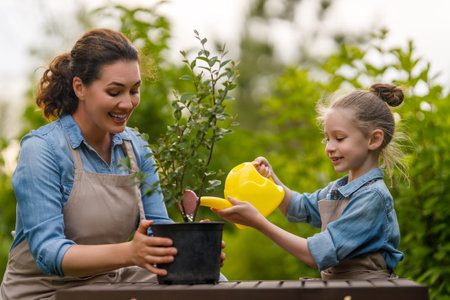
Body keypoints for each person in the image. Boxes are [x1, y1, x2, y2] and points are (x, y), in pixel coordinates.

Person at [1, 28, 220, 300]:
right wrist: (129, 253)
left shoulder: (136, 148)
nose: (127, 104)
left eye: (134, 91)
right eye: (115, 91)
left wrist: (192, 250)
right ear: (79, 87)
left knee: (210, 284)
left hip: (111, 283)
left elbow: (157, 231)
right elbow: (48, 253)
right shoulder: (42, 150)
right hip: (46, 291)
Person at [213, 83, 405, 280]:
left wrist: (259, 223)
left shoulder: (372, 197)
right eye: (327, 139)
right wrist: (271, 180)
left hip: (370, 293)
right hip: (345, 291)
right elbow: (298, 207)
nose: (329, 147)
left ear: (373, 140)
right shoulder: (339, 189)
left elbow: (316, 254)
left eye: (339, 138)